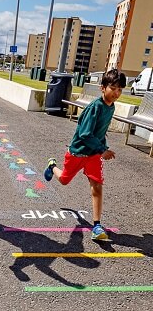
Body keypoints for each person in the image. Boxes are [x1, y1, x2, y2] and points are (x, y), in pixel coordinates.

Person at [43, 69, 127, 240]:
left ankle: (97, 225)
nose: (116, 93)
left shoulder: (111, 107)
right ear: (103, 88)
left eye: (120, 89)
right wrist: (102, 149)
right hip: (78, 152)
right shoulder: (95, 107)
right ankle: (52, 166)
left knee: (97, 186)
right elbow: (84, 133)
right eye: (113, 88)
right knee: (65, 180)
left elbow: (100, 132)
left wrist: (102, 147)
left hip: (93, 156)